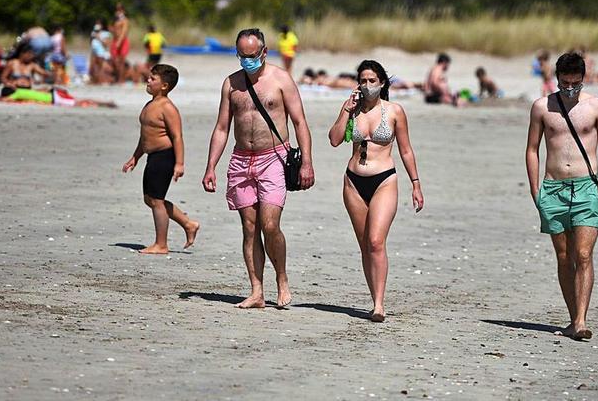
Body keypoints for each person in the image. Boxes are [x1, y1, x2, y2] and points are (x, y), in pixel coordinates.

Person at [202, 28, 315, 309]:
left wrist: (307, 164)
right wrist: (210, 167)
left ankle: (282, 278)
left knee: (270, 224)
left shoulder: (281, 80)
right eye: (241, 55)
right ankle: (256, 291)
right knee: (249, 228)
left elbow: (300, 122)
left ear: (264, 52)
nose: (246, 60)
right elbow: (221, 128)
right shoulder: (231, 84)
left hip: (273, 158)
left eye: (251, 55)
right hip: (241, 159)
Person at [525, 52, 598, 341]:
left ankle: (580, 321)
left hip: (586, 186)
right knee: (564, 257)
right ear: (557, 78)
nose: (570, 89)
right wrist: (534, 189)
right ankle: (572, 315)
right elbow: (532, 149)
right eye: (565, 84)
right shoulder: (542, 107)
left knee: (584, 254)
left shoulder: (597, 107)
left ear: (583, 79)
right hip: (553, 188)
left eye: (575, 84)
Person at [327, 60, 424, 322]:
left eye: (372, 81)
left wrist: (416, 183)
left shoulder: (394, 111)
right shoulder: (352, 109)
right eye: (363, 80)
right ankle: (373, 297)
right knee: (364, 245)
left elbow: (405, 149)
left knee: (375, 241)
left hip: (384, 180)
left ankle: (379, 304)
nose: (367, 86)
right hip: (353, 182)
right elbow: (335, 139)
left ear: (382, 83)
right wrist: (345, 112)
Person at [122, 64, 200, 254]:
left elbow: (177, 137)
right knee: (150, 199)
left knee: (156, 200)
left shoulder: (167, 108)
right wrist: (136, 156)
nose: (148, 81)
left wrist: (179, 163)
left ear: (164, 86)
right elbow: (146, 135)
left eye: (152, 79)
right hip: (152, 156)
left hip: (165, 156)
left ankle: (161, 244)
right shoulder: (150, 104)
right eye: (149, 77)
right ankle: (188, 224)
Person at [110, 3, 131, 82]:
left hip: (122, 41)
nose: (118, 11)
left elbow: (124, 32)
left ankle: (121, 79)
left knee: (121, 61)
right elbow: (113, 30)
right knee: (115, 60)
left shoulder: (125, 20)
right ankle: (117, 77)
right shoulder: (115, 20)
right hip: (115, 40)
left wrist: (119, 42)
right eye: (117, 9)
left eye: (119, 9)